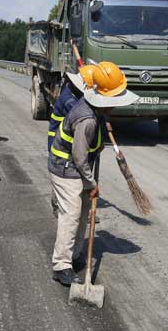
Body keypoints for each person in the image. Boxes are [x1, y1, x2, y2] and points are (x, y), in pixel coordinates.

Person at [49, 62, 139, 285]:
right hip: (65, 167)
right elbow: (79, 156)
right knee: (71, 214)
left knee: (83, 213)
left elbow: (88, 146)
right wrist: (91, 184)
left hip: (76, 165)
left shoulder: (95, 110)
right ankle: (61, 265)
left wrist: (99, 141)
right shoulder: (87, 118)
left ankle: (75, 255)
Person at [48, 65, 95, 218]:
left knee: (74, 176)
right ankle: (58, 204)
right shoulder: (69, 99)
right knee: (62, 176)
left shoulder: (73, 93)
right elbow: (83, 118)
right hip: (59, 141)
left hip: (68, 141)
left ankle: (78, 207)